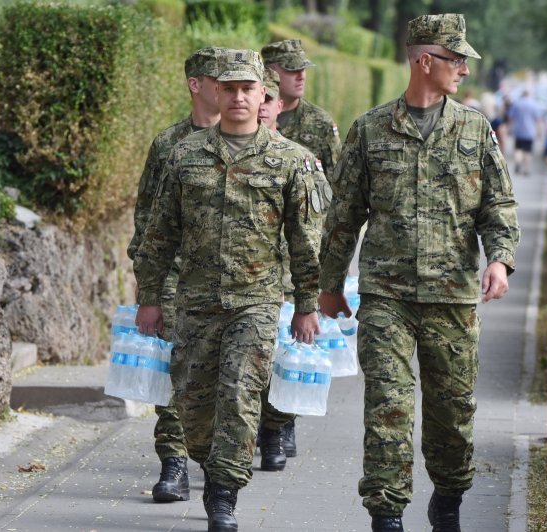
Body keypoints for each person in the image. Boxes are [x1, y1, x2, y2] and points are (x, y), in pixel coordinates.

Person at [317, 14, 520, 532]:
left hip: (452, 297)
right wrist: (328, 285)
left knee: (452, 417)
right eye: (456, 60)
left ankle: (448, 500)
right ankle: (386, 514)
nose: (464, 71)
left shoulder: (475, 130)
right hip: (386, 296)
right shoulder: (369, 129)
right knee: (388, 407)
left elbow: (497, 205)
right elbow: (343, 217)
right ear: (425, 61)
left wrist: (499, 259)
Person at [133, 49, 324, 531]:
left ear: (265, 95)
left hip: (256, 302)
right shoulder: (184, 156)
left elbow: (306, 243)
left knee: (240, 393)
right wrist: (150, 299)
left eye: (248, 89)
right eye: (230, 88)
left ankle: (224, 494)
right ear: (215, 92)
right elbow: (159, 236)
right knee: (193, 407)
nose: (239, 97)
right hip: (194, 302)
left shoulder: (290, 161)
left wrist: (306, 305)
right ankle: (207, 462)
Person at [127, 46, 225, 504]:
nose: (229, 89)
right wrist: (147, 283)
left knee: (217, 376)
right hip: (174, 276)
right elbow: (146, 216)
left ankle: (216, 455)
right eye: (219, 79)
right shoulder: (168, 145)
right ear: (196, 85)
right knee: (172, 369)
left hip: (229, 280)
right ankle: (173, 464)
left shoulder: (246, 141)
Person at [257, 38, 341, 462]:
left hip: (298, 260)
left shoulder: (318, 125)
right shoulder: (241, 119)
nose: (300, 76)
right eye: (291, 69)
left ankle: (280, 423)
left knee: (290, 346)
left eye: (302, 68)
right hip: (254, 262)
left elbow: (336, 193)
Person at [508, 88, 543, 175]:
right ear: (529, 94)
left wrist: (510, 128)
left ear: (522, 94)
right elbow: (538, 120)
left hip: (519, 131)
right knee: (528, 151)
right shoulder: (534, 104)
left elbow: (511, 117)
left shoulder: (517, 104)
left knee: (518, 150)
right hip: (530, 132)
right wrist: (539, 132)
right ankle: (526, 169)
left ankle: (518, 163)